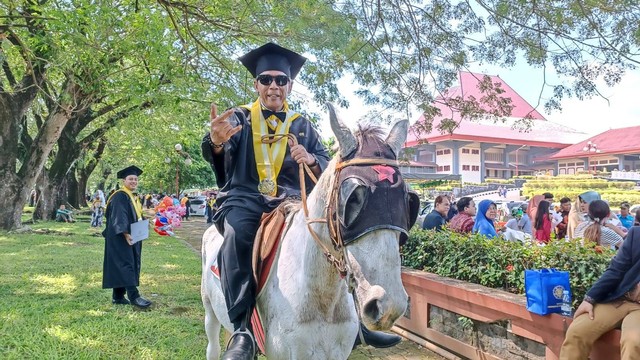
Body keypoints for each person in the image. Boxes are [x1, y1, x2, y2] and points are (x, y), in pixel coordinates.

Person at [200, 42, 399, 360]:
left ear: (290, 85)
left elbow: (324, 163)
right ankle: (241, 330)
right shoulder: (238, 117)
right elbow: (222, 158)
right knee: (237, 236)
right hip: (245, 197)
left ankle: (355, 321)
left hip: (291, 200)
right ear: (256, 84)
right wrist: (217, 143)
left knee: (332, 236)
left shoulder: (302, 125)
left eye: (281, 80)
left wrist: (310, 158)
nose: (274, 86)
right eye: (266, 79)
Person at [559, 226, 640, 359]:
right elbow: (616, 269)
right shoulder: (636, 235)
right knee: (577, 331)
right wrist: (590, 298)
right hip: (620, 299)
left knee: (634, 342)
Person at [101, 165, 152, 309]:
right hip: (121, 237)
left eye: (136, 179)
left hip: (131, 236)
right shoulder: (120, 196)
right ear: (124, 180)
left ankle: (117, 297)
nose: (134, 181)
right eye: (131, 179)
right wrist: (125, 233)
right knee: (126, 265)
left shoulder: (132, 196)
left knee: (122, 265)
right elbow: (119, 217)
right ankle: (134, 296)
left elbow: (135, 215)